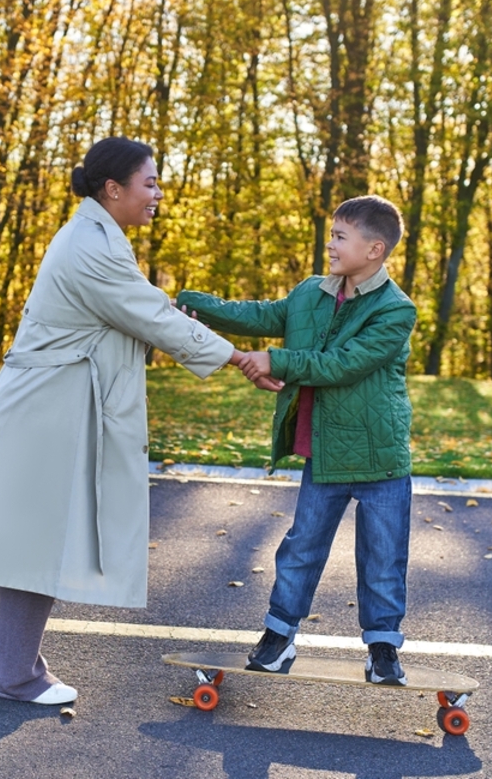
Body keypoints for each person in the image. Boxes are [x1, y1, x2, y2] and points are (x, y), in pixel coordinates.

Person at [0, 137, 276, 705]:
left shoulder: (97, 236)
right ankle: (16, 675)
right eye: (148, 183)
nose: (157, 193)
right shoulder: (92, 244)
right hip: (45, 411)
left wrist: (178, 323)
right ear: (113, 188)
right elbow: (149, 314)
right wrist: (237, 358)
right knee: (40, 539)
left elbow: (133, 309)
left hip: (49, 404)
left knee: (27, 533)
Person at [175, 194, 417, 685]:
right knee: (302, 547)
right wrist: (188, 303)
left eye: (340, 236)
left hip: (381, 458)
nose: (330, 244)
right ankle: (279, 637)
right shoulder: (312, 292)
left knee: (384, 557)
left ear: (374, 249)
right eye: (331, 234)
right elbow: (260, 315)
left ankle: (383, 648)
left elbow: (342, 365)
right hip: (325, 451)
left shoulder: (395, 310)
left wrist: (275, 360)